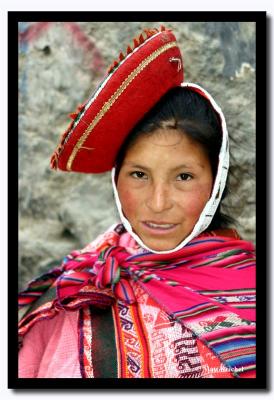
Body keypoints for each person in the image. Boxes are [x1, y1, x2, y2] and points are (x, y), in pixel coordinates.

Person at [18, 26, 256, 379]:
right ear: (116, 179)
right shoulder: (81, 283)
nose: (158, 204)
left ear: (216, 181)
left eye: (184, 177)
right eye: (139, 175)